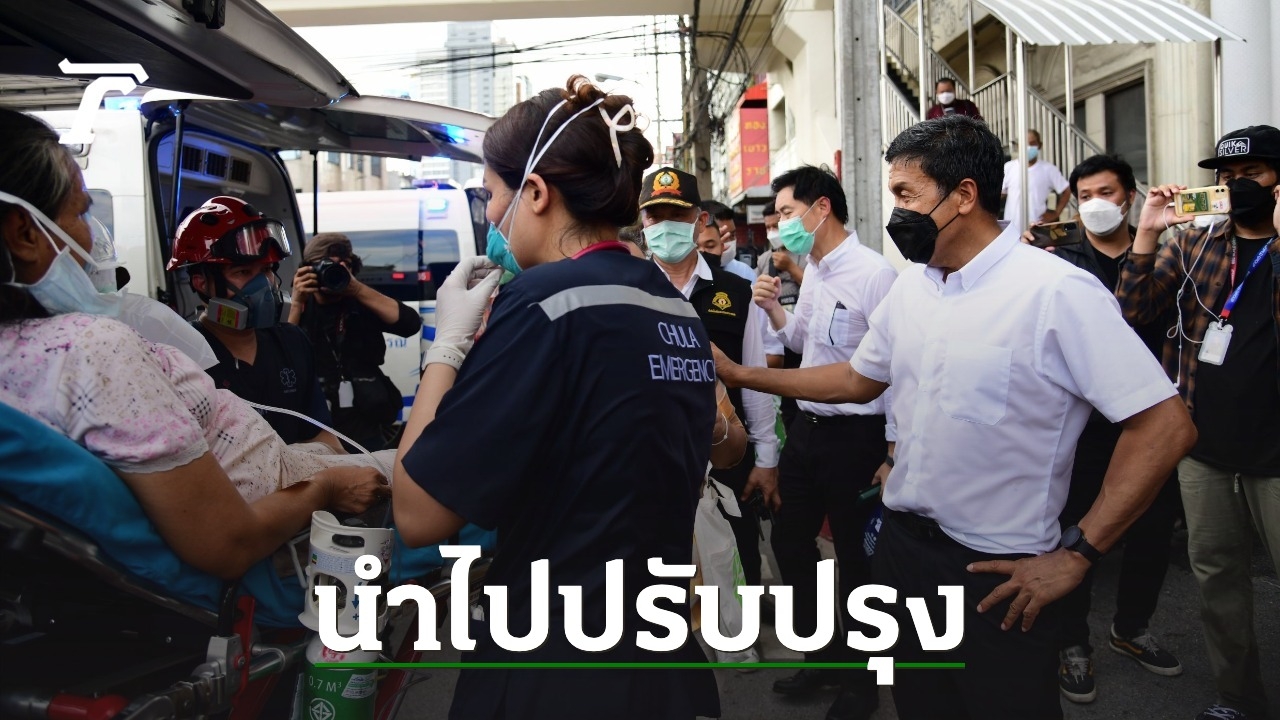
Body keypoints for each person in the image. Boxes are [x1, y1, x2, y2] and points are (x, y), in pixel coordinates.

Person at [715, 115, 1196, 720]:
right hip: (904, 557)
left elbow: (1164, 426)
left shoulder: (1055, 291)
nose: (895, 213)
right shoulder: (914, 288)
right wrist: (740, 375)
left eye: (905, 194)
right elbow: (856, 379)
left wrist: (1079, 553)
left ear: (964, 195)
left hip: (996, 578)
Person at [392, 76, 720, 720]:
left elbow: (420, 514)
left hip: (556, 663)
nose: (490, 215)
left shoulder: (545, 303)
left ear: (537, 193)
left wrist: (446, 348)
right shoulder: (673, 307)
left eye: (492, 194)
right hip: (659, 659)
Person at [0, 109, 387, 580]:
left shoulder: (289, 341)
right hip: (287, 522)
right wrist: (326, 488)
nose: (92, 236)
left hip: (298, 473)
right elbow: (226, 541)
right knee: (433, 479)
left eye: (268, 271)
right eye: (82, 212)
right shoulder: (97, 349)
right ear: (24, 234)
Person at [1116, 125, 1280, 720]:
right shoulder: (1195, 244)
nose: (1238, 186)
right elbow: (1132, 309)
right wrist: (1146, 233)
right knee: (1217, 579)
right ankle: (1238, 696)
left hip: (1275, 452)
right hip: (1202, 444)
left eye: (1252, 174)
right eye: (1228, 177)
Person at [1024, 154, 1183, 703]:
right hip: (1084, 424)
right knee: (1078, 531)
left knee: (1151, 532)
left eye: (1106, 193)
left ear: (1130, 197)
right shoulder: (1059, 259)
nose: (1095, 204)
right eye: (1085, 195)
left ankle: (1132, 627)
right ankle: (1073, 643)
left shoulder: (1164, 256)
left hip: (1148, 421)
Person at [754, 165, 897, 720]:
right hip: (807, 429)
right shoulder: (814, 269)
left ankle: (864, 680)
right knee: (790, 543)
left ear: (821, 208)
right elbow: (803, 341)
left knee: (859, 563)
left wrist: (892, 452)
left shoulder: (874, 274)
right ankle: (824, 652)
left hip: (857, 438)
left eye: (787, 213)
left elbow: (898, 370)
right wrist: (773, 310)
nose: (779, 226)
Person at [639, 166, 782, 594]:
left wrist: (766, 458)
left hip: (726, 458)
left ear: (700, 219)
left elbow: (754, 377)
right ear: (643, 221)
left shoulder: (735, 292)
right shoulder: (629, 289)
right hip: (651, 461)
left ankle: (739, 631)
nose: (666, 226)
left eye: (677, 215)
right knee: (659, 576)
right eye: (655, 216)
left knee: (737, 562)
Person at [168, 197, 338, 449]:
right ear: (201, 282)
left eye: (267, 270)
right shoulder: (181, 356)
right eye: (243, 272)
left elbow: (324, 437)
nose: (265, 286)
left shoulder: (292, 341)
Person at [289, 232, 423, 451]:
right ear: (308, 270)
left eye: (345, 265)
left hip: (365, 420)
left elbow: (410, 324)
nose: (336, 271)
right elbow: (283, 356)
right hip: (315, 424)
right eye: (327, 265)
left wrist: (358, 289)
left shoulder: (361, 302)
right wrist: (296, 304)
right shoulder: (298, 307)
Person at [1002, 129, 1071, 231]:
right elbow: (1000, 193)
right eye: (1024, 144)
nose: (1028, 147)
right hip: (1011, 228)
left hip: (1036, 228)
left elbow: (1067, 190)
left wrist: (1056, 213)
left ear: (1040, 145)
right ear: (1019, 146)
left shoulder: (1048, 169)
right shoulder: (1009, 167)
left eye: (1032, 143)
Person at [700, 199, 755, 282]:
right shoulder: (685, 274)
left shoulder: (744, 272)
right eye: (722, 235)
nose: (729, 243)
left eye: (732, 235)